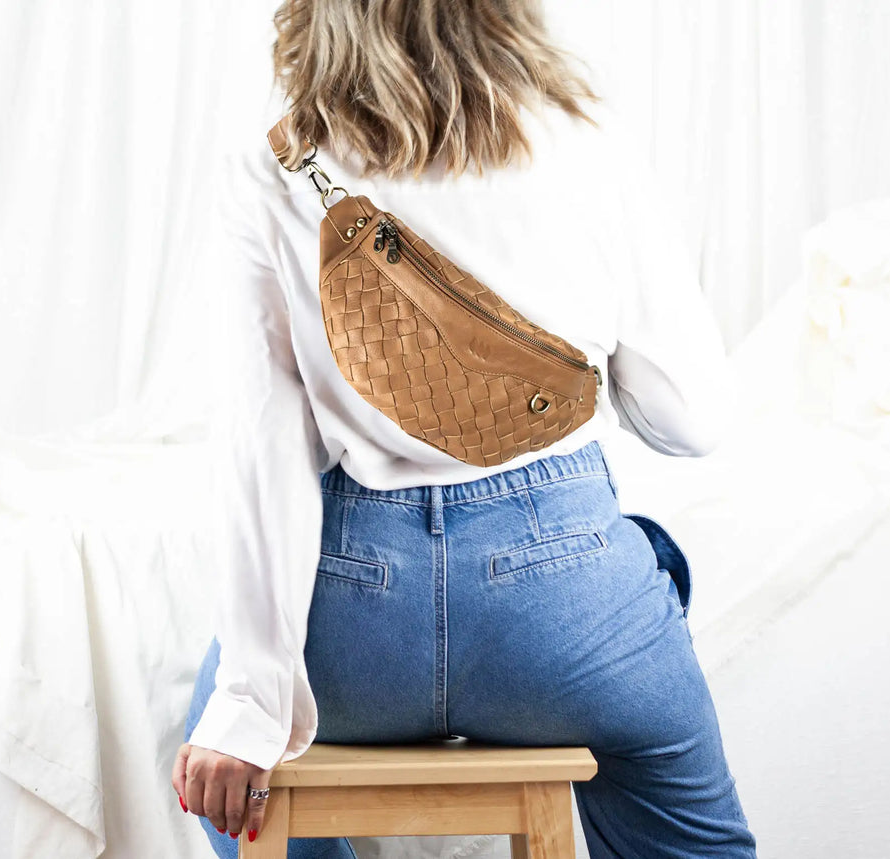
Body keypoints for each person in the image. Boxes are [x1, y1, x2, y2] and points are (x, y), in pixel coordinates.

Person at [172, 1, 758, 856]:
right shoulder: (582, 139)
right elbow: (693, 421)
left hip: (346, 636)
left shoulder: (272, 163)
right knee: (655, 575)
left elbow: (262, 445)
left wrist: (252, 707)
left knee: (221, 756)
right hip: (566, 619)